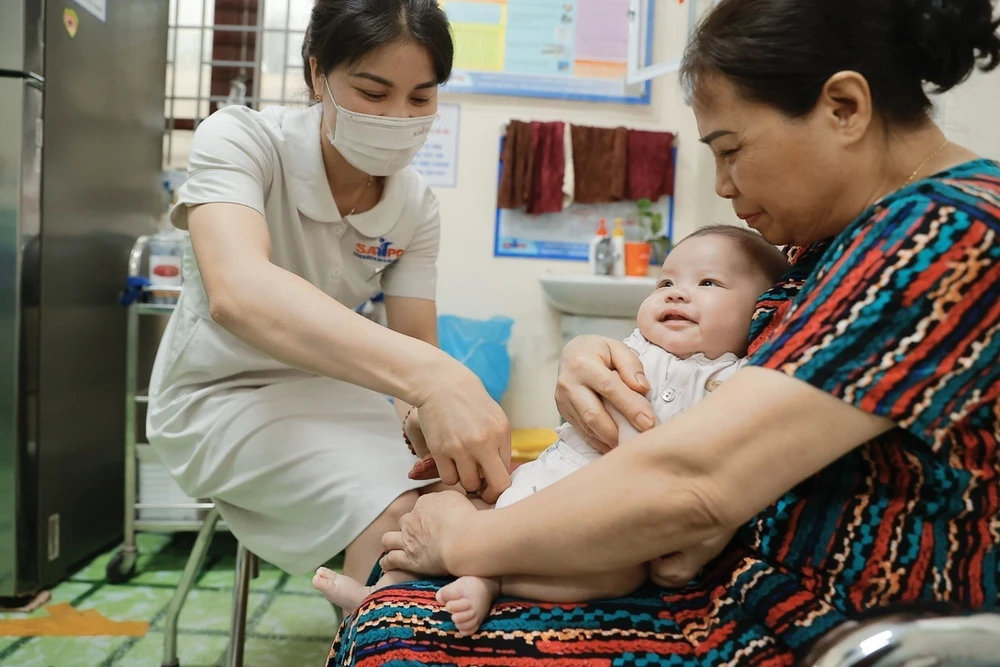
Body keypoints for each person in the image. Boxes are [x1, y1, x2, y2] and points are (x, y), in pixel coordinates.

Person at [329, 0, 1000, 664]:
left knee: (403, 638)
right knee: (398, 605)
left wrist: (466, 543)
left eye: (731, 150)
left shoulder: (945, 236)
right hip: (732, 578)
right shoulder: (845, 234)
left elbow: (696, 480)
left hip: (817, 623)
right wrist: (590, 354)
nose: (724, 184)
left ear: (845, 108)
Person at [145, 0, 512, 587]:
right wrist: (438, 381)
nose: (397, 116)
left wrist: (432, 425)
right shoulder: (241, 140)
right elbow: (238, 293)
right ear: (318, 75)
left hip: (337, 391)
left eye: (421, 98)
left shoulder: (415, 205)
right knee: (399, 518)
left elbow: (415, 345)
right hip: (222, 397)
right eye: (372, 92)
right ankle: (378, 643)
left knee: (458, 511)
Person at [313, 225, 790, 635]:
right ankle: (376, 594)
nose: (676, 292)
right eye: (665, 280)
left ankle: (490, 579)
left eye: (709, 282)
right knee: (434, 502)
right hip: (534, 486)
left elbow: (722, 471)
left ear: (760, 312)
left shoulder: (731, 380)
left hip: (602, 524)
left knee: (613, 575)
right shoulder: (627, 351)